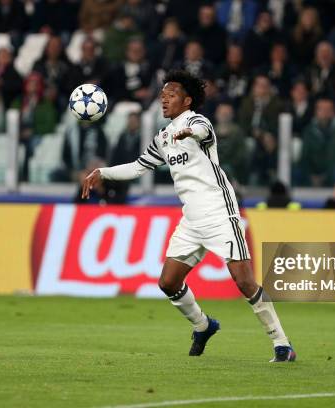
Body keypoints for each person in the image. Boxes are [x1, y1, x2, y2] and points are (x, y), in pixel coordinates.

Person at [82, 70, 295, 362]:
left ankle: (282, 343)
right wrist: (102, 172)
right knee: (168, 282)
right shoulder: (163, 137)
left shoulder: (197, 121)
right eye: (162, 95)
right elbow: (138, 167)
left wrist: (189, 132)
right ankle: (203, 325)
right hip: (191, 219)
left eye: (171, 95)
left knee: (244, 281)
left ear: (187, 100)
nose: (164, 100)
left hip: (220, 212)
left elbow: (203, 131)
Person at [298, 98, 335, 187]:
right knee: (297, 171)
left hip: (332, 170)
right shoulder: (309, 130)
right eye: (322, 109)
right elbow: (305, 155)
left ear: (334, 112)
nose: (325, 112)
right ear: (316, 112)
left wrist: (324, 176)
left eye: (328, 109)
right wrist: (312, 174)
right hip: (313, 171)